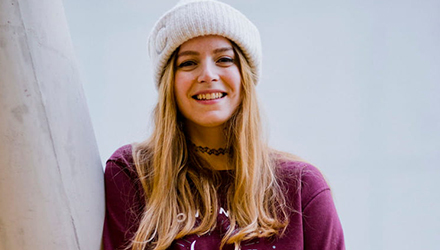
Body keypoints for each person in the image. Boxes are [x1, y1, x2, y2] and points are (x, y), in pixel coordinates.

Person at [103, 0, 345, 249]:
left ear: (244, 76)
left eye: (224, 59)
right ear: (169, 84)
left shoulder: (302, 188)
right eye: (188, 63)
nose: (208, 74)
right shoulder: (133, 175)